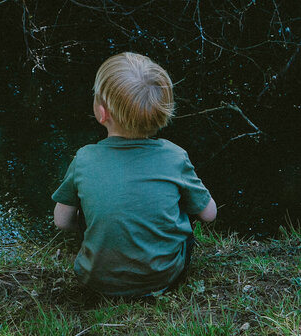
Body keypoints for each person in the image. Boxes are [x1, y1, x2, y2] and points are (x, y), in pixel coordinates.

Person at [52, 52, 217, 297]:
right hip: (165, 275)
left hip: (96, 281)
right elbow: (209, 214)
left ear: (102, 112)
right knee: (180, 202)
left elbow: (61, 221)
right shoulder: (175, 156)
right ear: (162, 113)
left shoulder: (84, 158)